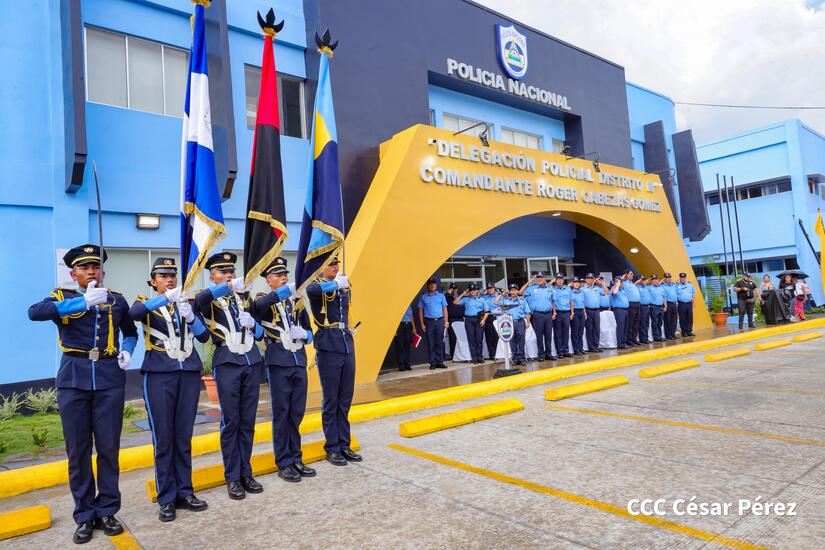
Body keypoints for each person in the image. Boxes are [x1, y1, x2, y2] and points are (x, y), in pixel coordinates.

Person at [28, 245, 137, 544]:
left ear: (102, 271)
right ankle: (85, 515)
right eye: (84, 267)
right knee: (77, 452)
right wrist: (81, 304)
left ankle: (107, 510)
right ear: (73, 273)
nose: (91, 271)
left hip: (108, 379)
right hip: (73, 379)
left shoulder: (117, 299)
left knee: (108, 449)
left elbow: (131, 332)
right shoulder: (63, 297)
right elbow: (34, 313)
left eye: (95, 266)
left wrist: (127, 351)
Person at [129, 258, 210, 522]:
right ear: (153, 281)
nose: (169, 279)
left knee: (183, 437)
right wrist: (165, 299)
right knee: (163, 439)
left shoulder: (187, 301)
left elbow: (203, 336)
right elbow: (134, 315)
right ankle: (166, 497)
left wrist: (189, 314)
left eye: (172, 275)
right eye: (163, 276)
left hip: (187, 374)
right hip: (159, 375)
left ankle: (185, 491)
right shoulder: (144, 302)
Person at [194, 252, 265, 499]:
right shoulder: (208, 299)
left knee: (248, 421)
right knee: (231, 422)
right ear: (212, 276)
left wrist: (253, 324)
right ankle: (233, 476)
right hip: (228, 363)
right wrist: (226, 288)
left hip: (251, 360)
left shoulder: (244, 297)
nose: (229, 276)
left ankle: (246, 472)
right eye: (223, 272)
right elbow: (198, 300)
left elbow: (260, 334)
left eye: (231, 272)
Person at [252, 257, 317, 483]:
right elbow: (257, 309)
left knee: (296, 412)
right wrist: (284, 292)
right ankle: (284, 461)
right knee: (281, 413)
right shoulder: (263, 299)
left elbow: (310, 332)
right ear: (268, 281)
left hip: (298, 360)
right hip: (278, 361)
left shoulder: (296, 302)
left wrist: (305, 335)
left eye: (285, 275)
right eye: (278, 276)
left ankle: (296, 458)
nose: (283, 278)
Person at [305, 257, 362, 465]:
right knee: (331, 398)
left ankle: (344, 444)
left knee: (345, 398)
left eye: (336, 264)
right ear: (322, 268)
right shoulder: (317, 284)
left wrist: (349, 328)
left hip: (346, 341)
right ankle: (332, 447)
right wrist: (335, 284)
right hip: (328, 342)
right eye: (331, 264)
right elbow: (311, 292)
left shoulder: (343, 285)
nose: (335, 267)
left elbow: (345, 310)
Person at [520, 273, 556, 361]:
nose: (539, 279)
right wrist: (528, 282)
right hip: (537, 315)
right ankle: (541, 354)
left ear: (545, 278)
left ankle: (548, 353)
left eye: (541, 277)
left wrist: (554, 313)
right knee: (539, 336)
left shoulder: (549, 288)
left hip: (548, 314)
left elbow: (553, 301)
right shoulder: (531, 288)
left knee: (548, 335)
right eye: (538, 277)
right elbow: (520, 293)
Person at [494, 284, 531, 364]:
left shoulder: (522, 300)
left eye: (515, 290)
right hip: (509, 323)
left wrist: (528, 322)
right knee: (512, 341)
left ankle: (522, 358)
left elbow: (527, 312)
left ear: (517, 291)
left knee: (521, 341)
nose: (513, 291)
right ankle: (514, 359)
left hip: (520, 322)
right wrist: (501, 294)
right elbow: (495, 302)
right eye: (511, 290)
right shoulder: (506, 300)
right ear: (509, 291)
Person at [453, 284, 489, 364]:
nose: (472, 291)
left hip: (479, 319)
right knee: (471, 340)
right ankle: (474, 358)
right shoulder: (466, 299)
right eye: (471, 290)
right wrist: (463, 294)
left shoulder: (482, 299)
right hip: (469, 320)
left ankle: (480, 357)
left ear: (477, 291)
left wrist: (483, 320)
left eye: (474, 290)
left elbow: (487, 311)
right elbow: (455, 302)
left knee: (479, 339)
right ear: (469, 291)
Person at [418, 279, 448, 369]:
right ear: (428, 286)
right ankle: (433, 363)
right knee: (431, 343)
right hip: (429, 322)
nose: (432, 286)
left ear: (436, 285)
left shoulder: (441, 296)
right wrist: (422, 324)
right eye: (430, 284)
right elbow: (420, 311)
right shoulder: (423, 297)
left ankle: (440, 362)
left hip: (439, 321)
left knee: (439, 342)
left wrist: (446, 321)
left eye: (433, 284)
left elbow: (445, 309)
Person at [583, 274, 606, 353]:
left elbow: (607, 292)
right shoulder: (583, 289)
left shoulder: (597, 288)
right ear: (586, 280)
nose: (589, 280)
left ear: (594, 280)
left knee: (597, 329)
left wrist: (602, 283)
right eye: (588, 278)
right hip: (588, 310)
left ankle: (596, 346)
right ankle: (591, 347)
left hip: (596, 310)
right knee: (589, 329)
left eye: (591, 278)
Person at [551, 273, 573, 358]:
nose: (559, 280)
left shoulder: (568, 289)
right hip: (558, 313)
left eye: (561, 279)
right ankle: (559, 351)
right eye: (558, 279)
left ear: (563, 280)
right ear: (555, 280)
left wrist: (572, 312)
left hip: (566, 313)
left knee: (566, 332)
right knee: (558, 333)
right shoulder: (552, 290)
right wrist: (554, 313)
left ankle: (565, 350)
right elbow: (553, 302)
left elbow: (571, 301)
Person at [621, 270, 641, 346]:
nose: (632, 275)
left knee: (636, 324)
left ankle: (634, 338)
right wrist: (623, 278)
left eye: (632, 274)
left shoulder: (632, 283)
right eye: (630, 274)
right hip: (631, 305)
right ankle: (629, 340)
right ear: (626, 275)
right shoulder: (624, 284)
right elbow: (619, 282)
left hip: (637, 304)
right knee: (630, 324)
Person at [394, 305, 417, 371]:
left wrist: (414, 327)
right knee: (400, 345)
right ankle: (401, 365)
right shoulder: (397, 306)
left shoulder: (408, 306)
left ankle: (407, 364)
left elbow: (411, 316)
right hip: (400, 325)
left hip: (408, 325)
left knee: (407, 345)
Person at [481, 283, 501, 360]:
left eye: (491, 288)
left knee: (497, 336)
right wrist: (483, 291)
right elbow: (476, 295)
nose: (490, 290)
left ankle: (497, 353)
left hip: (497, 317)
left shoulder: (498, 296)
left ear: (494, 288)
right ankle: (492, 354)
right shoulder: (484, 297)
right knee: (489, 337)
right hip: (488, 318)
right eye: (488, 288)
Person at [444, 283, 463, 359]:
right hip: (451, 318)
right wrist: (449, 291)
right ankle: (453, 354)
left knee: (460, 337)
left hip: (460, 318)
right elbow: (445, 296)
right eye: (452, 289)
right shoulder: (448, 297)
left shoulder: (460, 296)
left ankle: (460, 354)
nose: (454, 290)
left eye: (455, 289)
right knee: (452, 337)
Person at [610, 276, 629, 349]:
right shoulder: (614, 289)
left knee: (625, 327)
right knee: (621, 327)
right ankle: (620, 343)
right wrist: (617, 285)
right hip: (619, 310)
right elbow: (614, 293)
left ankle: (624, 342)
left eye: (621, 282)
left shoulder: (622, 290)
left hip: (625, 310)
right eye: (619, 281)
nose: (621, 283)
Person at [569, 277, 587, 355]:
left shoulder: (582, 292)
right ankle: (576, 349)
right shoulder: (570, 292)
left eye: (578, 282)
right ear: (572, 283)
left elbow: (583, 304)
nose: (576, 283)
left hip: (581, 312)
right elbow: (570, 303)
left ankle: (581, 348)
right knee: (575, 332)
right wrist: (572, 313)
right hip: (574, 312)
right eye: (575, 282)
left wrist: (585, 313)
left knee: (581, 331)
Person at [675, 272, 696, 337]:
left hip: (689, 303)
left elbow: (693, 293)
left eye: (684, 278)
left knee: (690, 318)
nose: (683, 279)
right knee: (682, 318)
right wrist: (676, 303)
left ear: (685, 278)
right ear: (680, 278)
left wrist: (694, 302)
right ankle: (684, 332)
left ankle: (689, 331)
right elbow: (674, 295)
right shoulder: (676, 285)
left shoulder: (690, 285)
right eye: (681, 278)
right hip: (681, 304)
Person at [647, 275, 666, 342]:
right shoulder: (649, 287)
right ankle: (656, 336)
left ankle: (660, 335)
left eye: (656, 279)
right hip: (654, 307)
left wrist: (665, 306)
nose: (655, 280)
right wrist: (648, 281)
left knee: (660, 322)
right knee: (655, 322)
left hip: (661, 307)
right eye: (653, 279)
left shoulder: (661, 288)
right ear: (651, 281)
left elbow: (664, 297)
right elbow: (643, 284)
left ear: (658, 280)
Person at [661, 273, 679, 340]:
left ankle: (673, 334)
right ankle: (668, 335)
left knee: (674, 320)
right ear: (664, 278)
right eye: (667, 277)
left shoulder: (673, 285)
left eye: (669, 277)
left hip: (674, 304)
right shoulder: (663, 286)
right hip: (668, 304)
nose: (669, 278)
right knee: (667, 320)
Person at [636, 275, 650, 345]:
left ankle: (646, 337)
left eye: (644, 280)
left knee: (647, 323)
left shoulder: (646, 287)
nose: (643, 281)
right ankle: (643, 338)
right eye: (642, 280)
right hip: (641, 307)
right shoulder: (637, 287)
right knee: (642, 323)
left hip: (647, 306)